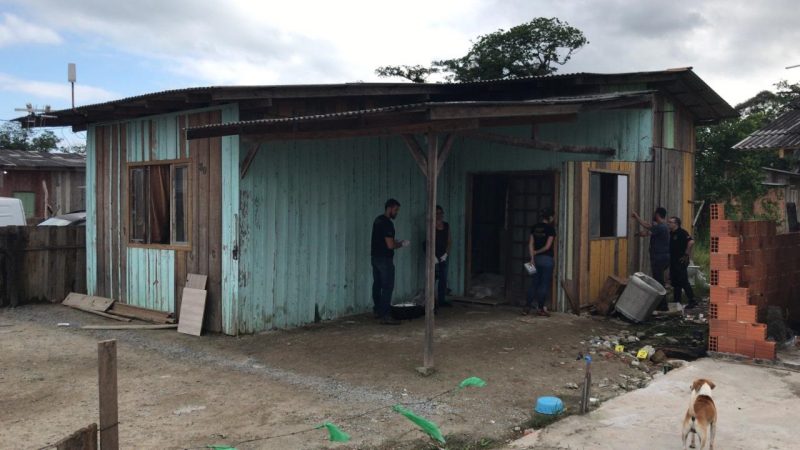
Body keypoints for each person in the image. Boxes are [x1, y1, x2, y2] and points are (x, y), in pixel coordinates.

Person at [371, 199, 409, 325]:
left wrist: (394, 241)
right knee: (387, 286)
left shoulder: (378, 220)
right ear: (389, 208)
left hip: (375, 257)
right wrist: (401, 244)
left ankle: (377, 310)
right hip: (385, 259)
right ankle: (385, 315)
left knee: (377, 284)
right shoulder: (387, 223)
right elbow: (390, 245)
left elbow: (382, 239)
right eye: (396, 210)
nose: (397, 212)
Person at [632, 207, 670, 309]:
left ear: (657, 215)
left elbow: (646, 231)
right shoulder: (662, 226)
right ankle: (661, 304)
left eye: (654, 214)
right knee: (659, 280)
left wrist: (637, 232)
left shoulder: (660, 227)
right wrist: (637, 218)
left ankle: (663, 305)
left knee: (659, 282)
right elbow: (648, 226)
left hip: (659, 258)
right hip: (664, 257)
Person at [524, 208, 556, 317]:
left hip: (534, 260)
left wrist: (532, 257)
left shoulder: (534, 227)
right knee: (544, 284)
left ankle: (527, 307)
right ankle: (541, 309)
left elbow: (530, 244)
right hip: (546, 260)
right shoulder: (550, 229)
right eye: (553, 217)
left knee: (534, 283)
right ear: (550, 217)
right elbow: (547, 246)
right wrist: (537, 252)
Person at [668, 216, 697, 308]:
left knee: (683, 281)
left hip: (681, 260)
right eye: (668, 222)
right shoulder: (671, 233)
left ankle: (692, 300)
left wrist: (686, 254)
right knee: (676, 282)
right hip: (673, 261)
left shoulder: (682, 232)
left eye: (670, 222)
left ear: (676, 224)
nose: (669, 224)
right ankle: (677, 302)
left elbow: (691, 242)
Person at [434, 205, 452, 312]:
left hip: (443, 255)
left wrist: (446, 254)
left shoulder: (446, 225)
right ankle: (432, 301)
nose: (439, 215)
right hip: (433, 255)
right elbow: (428, 241)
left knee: (443, 278)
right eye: (437, 213)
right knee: (432, 278)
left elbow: (449, 241)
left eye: (441, 213)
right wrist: (432, 256)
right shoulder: (431, 225)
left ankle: (441, 300)